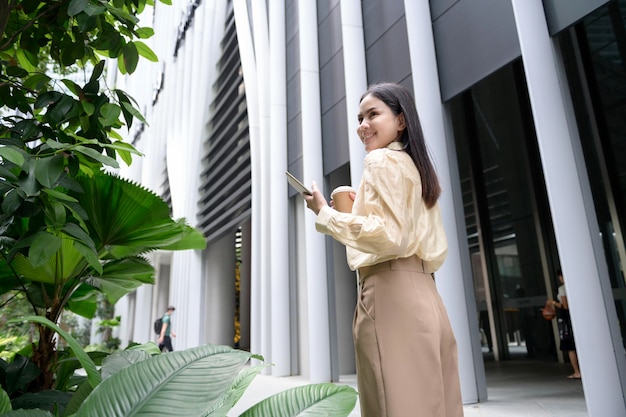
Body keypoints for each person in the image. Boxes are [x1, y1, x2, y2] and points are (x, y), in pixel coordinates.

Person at [303, 82, 463, 417]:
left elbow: (390, 236)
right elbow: (405, 234)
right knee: (436, 405)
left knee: (393, 405)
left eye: (373, 114)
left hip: (390, 295)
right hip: (426, 293)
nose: (362, 125)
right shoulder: (416, 167)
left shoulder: (379, 161)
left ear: (401, 121)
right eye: (360, 117)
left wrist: (325, 213)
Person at [547, 270, 581, 379]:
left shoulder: (562, 289)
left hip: (567, 319)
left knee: (570, 346)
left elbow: (565, 306)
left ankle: (577, 371)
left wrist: (553, 303)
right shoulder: (578, 285)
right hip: (579, 316)